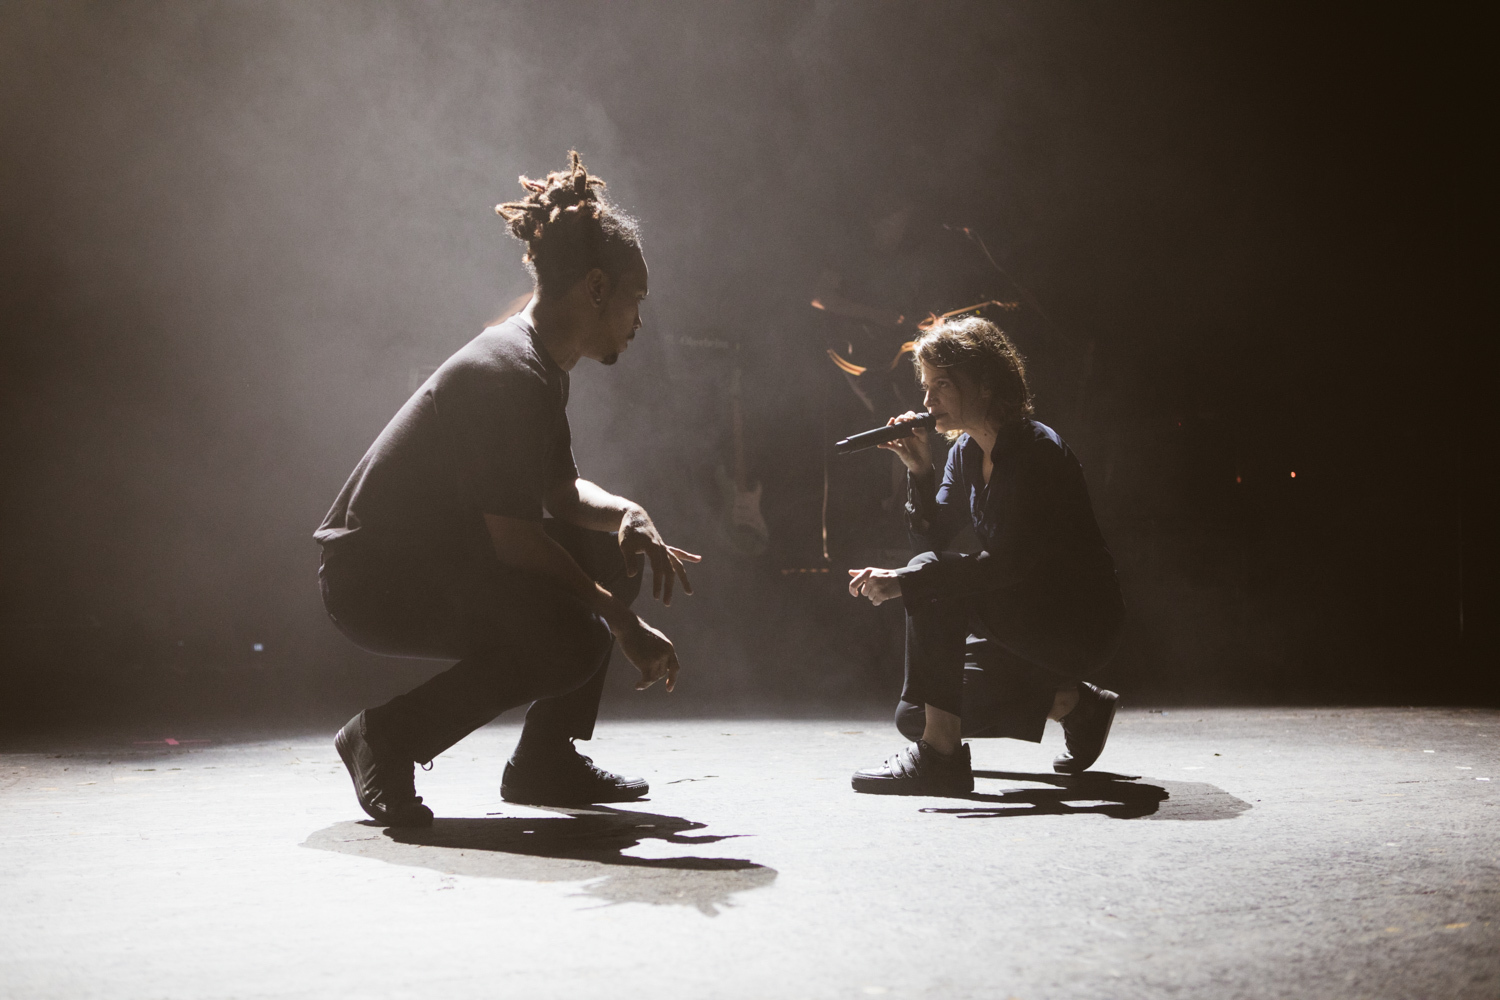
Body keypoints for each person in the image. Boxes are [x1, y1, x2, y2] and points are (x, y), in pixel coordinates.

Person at [315, 152, 700, 826]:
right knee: (575, 636)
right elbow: (517, 540)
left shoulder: (543, 365)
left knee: (611, 549)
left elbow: (561, 494)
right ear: (597, 288)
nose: (641, 319)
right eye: (637, 298)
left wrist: (627, 513)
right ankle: (387, 737)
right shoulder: (509, 371)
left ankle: (544, 761)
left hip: (436, 559)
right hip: (374, 578)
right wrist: (621, 618)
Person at [846, 316, 1123, 795]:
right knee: (917, 714)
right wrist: (920, 471)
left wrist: (909, 582)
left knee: (930, 580)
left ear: (988, 384)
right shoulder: (966, 454)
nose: (928, 401)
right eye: (926, 386)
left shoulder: (1036, 452)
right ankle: (1077, 706)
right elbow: (933, 544)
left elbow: (1011, 564)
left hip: (1074, 619)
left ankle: (942, 760)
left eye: (943, 385)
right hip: (1014, 616)